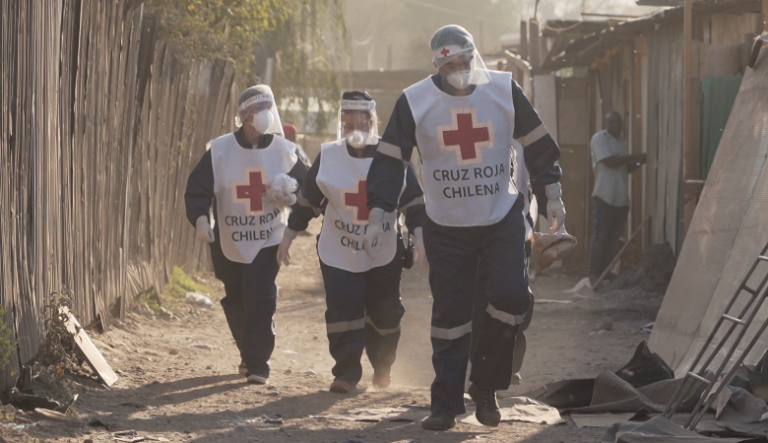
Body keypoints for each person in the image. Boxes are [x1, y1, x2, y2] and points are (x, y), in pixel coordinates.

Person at [364, 25, 565, 430]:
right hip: (447, 223)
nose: (458, 71)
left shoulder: (504, 90)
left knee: (510, 298)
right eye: (449, 65)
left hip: (501, 215)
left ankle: (486, 386)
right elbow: (390, 159)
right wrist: (379, 211)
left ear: (475, 56)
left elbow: (539, 143)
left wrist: (553, 195)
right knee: (451, 314)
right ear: (437, 65)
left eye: (464, 62)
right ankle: (445, 404)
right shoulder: (415, 100)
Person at [277, 91, 426, 394]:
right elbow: (308, 202)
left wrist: (421, 236)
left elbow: (413, 203)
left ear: (374, 121)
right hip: (339, 250)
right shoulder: (329, 156)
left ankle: (382, 367)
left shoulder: (394, 156)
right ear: (340, 124)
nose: (355, 129)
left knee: (385, 314)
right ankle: (346, 372)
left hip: (383, 250)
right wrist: (288, 236)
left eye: (362, 122)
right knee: (343, 310)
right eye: (349, 124)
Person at [184, 85, 307, 385]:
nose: (263, 116)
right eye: (256, 110)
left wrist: (292, 196)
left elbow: (309, 187)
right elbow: (197, 188)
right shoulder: (221, 150)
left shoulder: (285, 152)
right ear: (243, 115)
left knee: (261, 296)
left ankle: (258, 363)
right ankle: (249, 352)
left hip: (268, 237)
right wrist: (201, 220)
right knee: (237, 299)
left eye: (268, 109)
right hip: (228, 238)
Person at [588, 111, 645, 286]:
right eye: (611, 123)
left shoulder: (622, 143)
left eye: (618, 123)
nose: (615, 126)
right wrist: (635, 156)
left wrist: (638, 163)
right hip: (604, 196)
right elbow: (609, 161)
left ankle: (605, 272)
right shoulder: (599, 139)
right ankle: (594, 274)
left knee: (613, 239)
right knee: (601, 236)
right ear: (606, 124)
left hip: (620, 199)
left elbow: (622, 168)